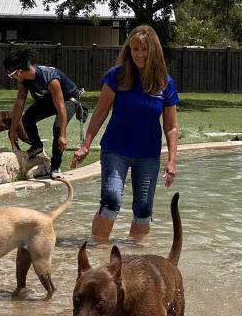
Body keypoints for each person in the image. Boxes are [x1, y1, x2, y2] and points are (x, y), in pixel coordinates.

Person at [71, 24, 178, 242]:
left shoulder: (164, 83)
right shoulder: (117, 76)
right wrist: (85, 145)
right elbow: (101, 111)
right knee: (111, 198)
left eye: (145, 49)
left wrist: (172, 160)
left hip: (148, 155)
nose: (139, 54)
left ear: (154, 51)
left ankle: (135, 252)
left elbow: (171, 126)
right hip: (115, 150)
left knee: (144, 206)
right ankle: (97, 248)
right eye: (135, 49)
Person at [4, 48, 87, 178]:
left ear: (19, 71)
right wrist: (13, 129)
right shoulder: (23, 80)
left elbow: (60, 107)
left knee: (58, 128)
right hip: (51, 99)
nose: (12, 77)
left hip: (69, 99)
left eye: (10, 74)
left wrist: (63, 135)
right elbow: (20, 102)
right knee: (27, 118)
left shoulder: (50, 78)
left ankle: (55, 167)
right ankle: (36, 146)